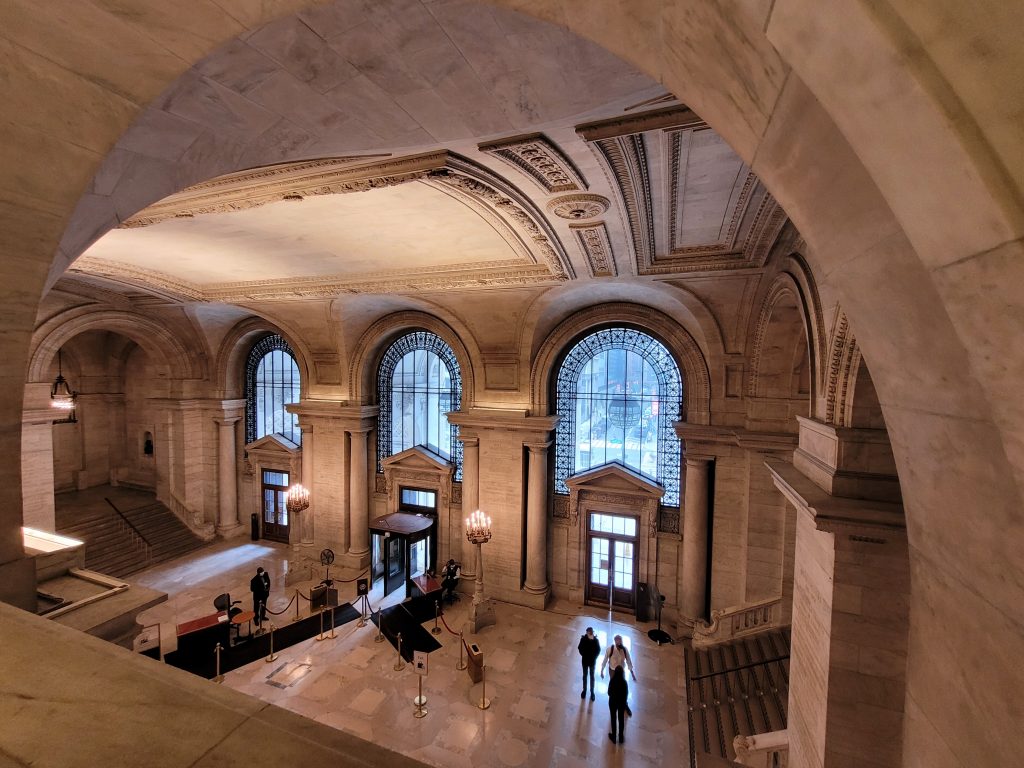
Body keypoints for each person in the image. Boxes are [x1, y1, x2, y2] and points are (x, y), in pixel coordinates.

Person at [600, 633, 636, 716]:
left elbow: (628, 661)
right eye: (618, 641)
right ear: (615, 641)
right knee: (614, 687)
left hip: (621, 671)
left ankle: (625, 705)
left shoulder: (625, 650)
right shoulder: (610, 649)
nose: (619, 643)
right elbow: (605, 659)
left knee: (623, 688)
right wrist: (602, 670)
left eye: (620, 641)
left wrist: (632, 673)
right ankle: (614, 702)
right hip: (613, 670)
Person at [577, 626, 601, 701]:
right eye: (589, 631)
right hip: (585, 661)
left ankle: (592, 692)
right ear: (587, 632)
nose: (590, 633)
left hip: (592, 662)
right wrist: (583, 654)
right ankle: (584, 690)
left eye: (591, 631)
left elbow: (598, 650)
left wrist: (594, 657)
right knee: (585, 676)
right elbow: (579, 648)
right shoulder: (583, 639)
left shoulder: (596, 640)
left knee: (592, 677)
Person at [607, 666, 629, 744]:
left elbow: (609, 692)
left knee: (613, 719)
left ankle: (613, 737)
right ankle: (620, 737)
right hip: (621, 704)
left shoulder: (612, 681)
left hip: (613, 703)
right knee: (621, 719)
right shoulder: (624, 683)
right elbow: (626, 695)